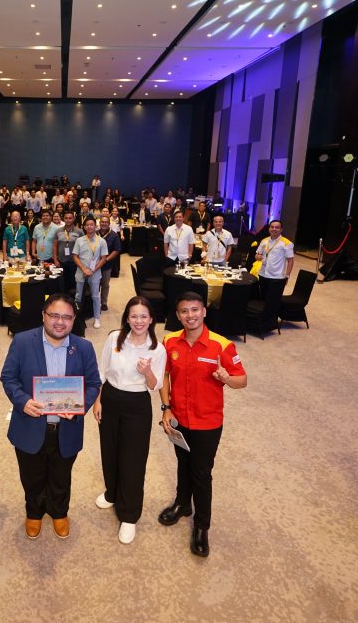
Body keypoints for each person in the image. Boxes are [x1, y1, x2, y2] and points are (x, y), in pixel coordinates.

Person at [0, 293, 102, 540]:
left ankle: (59, 512)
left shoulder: (84, 347)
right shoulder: (23, 342)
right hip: (30, 425)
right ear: (43, 316)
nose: (60, 322)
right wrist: (23, 402)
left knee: (61, 475)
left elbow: (94, 383)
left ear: (73, 319)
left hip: (67, 427)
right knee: (31, 475)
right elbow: (8, 377)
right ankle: (33, 512)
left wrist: (79, 406)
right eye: (54, 315)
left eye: (66, 317)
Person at [158, 292, 248, 557]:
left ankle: (201, 526)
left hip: (208, 422)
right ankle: (182, 504)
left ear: (204, 311)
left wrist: (226, 378)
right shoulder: (169, 341)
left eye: (195, 310)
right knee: (183, 464)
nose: (190, 316)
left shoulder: (221, 345)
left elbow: (242, 380)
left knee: (201, 472)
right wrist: (166, 408)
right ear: (177, 315)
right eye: (184, 311)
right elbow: (164, 376)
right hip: (179, 419)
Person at [93, 297, 167, 544]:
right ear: (127, 317)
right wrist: (98, 400)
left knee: (133, 460)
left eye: (144, 316)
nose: (139, 321)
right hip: (111, 397)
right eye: (134, 316)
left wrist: (147, 372)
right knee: (110, 450)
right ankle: (112, 493)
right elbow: (102, 372)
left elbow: (155, 386)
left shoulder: (157, 348)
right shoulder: (114, 339)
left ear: (151, 319)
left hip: (137, 404)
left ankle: (129, 515)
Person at [254, 220, 294, 332]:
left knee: (273, 301)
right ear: (269, 228)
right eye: (272, 227)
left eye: (277, 227)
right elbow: (258, 254)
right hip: (263, 274)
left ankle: (271, 324)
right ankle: (262, 322)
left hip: (277, 277)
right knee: (263, 299)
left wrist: (287, 276)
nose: (274, 229)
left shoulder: (286, 243)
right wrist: (257, 257)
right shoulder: (264, 241)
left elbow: (290, 261)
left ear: (281, 229)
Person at [72, 218, 109, 329]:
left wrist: (93, 270)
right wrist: (84, 269)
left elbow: (104, 258)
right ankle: (76, 317)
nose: (89, 227)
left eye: (91, 225)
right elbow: (75, 256)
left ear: (95, 226)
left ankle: (97, 317)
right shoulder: (79, 240)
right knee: (78, 296)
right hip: (81, 271)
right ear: (84, 227)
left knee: (95, 296)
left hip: (95, 273)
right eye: (87, 225)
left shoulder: (101, 241)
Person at [97, 215, 123, 313]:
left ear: (109, 224)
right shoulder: (95, 234)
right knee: (94, 284)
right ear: (100, 223)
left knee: (105, 284)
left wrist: (106, 260)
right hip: (95, 265)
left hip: (106, 265)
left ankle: (104, 302)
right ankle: (94, 301)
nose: (104, 224)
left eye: (106, 222)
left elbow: (116, 250)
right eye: (102, 222)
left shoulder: (114, 235)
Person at [56, 210, 83, 294]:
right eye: (66, 218)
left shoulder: (79, 231)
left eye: (70, 218)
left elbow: (82, 248)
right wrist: (55, 260)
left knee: (72, 283)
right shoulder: (58, 231)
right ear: (64, 219)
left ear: (73, 219)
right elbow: (54, 245)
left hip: (74, 262)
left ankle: (72, 303)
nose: (68, 220)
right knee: (62, 284)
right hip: (61, 261)